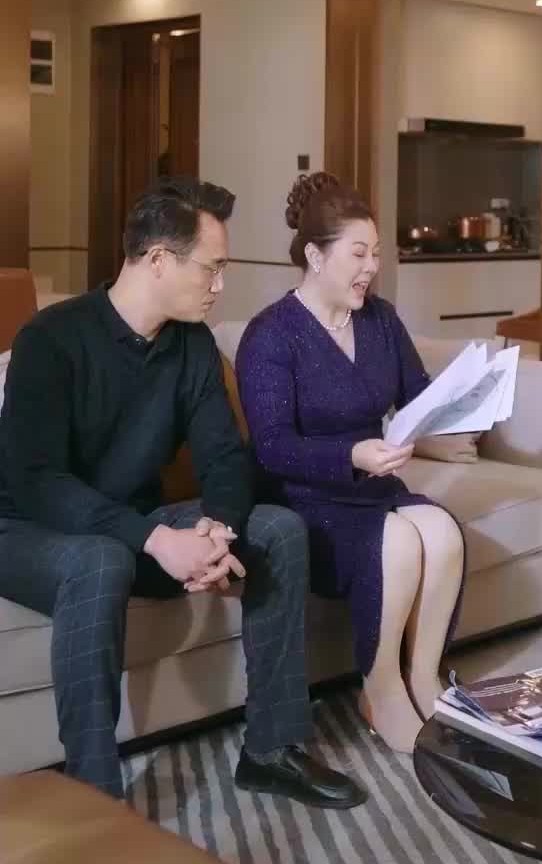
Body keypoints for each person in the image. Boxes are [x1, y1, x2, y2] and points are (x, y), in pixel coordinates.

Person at [0, 179, 364, 809]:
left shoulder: (191, 343)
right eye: (212, 268)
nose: (220, 285)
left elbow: (224, 456)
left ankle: (272, 750)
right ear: (159, 260)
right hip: (28, 529)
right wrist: (155, 539)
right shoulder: (51, 339)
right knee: (99, 559)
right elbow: (38, 482)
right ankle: (93, 798)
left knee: (278, 529)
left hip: (132, 524)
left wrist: (216, 529)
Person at [235, 173, 465, 755]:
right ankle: (380, 688)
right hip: (304, 500)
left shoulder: (379, 319)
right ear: (315, 256)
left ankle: (423, 677)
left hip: (371, 490)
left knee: (441, 531)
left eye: (376, 254)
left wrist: (465, 400)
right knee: (399, 540)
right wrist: (352, 453)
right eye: (358, 254)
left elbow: (416, 394)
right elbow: (272, 447)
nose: (372, 267)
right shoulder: (270, 335)